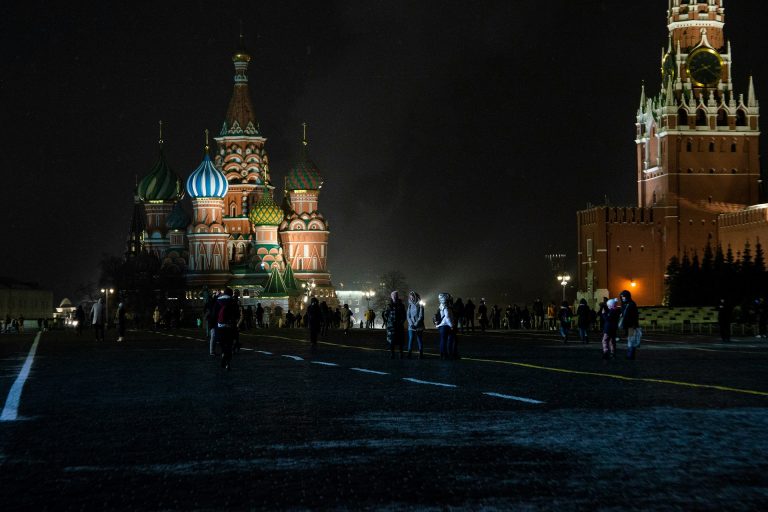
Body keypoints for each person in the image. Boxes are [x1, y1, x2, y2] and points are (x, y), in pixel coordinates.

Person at [213, 287, 239, 370]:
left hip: (220, 327)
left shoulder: (217, 301)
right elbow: (237, 315)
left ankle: (223, 354)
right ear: (231, 294)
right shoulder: (233, 302)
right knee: (229, 345)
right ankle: (227, 362)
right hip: (230, 327)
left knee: (223, 345)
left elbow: (214, 315)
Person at [619, 290, 641, 359]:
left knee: (631, 340)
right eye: (621, 296)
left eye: (623, 296)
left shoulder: (632, 304)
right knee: (629, 339)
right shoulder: (624, 304)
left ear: (627, 296)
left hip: (631, 325)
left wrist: (634, 324)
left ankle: (630, 355)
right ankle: (630, 354)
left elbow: (635, 315)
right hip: (626, 325)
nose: (622, 298)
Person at [385, 291, 406, 358]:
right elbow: (385, 314)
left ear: (397, 296)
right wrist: (389, 321)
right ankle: (392, 354)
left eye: (396, 295)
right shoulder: (389, 305)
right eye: (393, 295)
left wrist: (401, 322)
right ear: (391, 297)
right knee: (391, 340)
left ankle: (401, 353)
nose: (395, 296)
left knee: (400, 340)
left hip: (399, 325)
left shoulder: (401, 305)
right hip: (391, 326)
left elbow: (404, 315)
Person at [436, 293, 455, 359]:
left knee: (443, 341)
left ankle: (442, 354)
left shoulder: (441, 305)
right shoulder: (446, 306)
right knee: (449, 340)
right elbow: (447, 317)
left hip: (442, 326)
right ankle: (448, 354)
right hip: (446, 325)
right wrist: (451, 325)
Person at [407, 291, 425, 359]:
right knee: (411, 339)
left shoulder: (420, 305)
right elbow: (408, 316)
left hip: (418, 325)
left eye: (412, 297)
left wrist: (416, 324)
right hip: (411, 326)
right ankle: (409, 353)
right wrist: (411, 324)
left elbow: (421, 315)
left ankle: (421, 353)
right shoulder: (410, 305)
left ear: (415, 297)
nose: (411, 298)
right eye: (410, 297)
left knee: (419, 339)